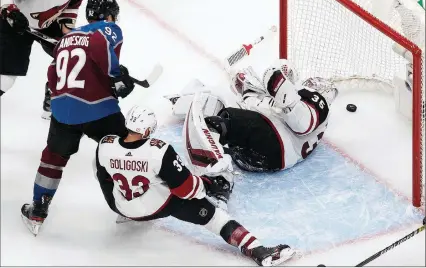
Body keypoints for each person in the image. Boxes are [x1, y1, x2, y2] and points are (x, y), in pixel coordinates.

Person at [94, 105, 296, 267]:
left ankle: (129, 209)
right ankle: (257, 250)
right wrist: (207, 185)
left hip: (121, 205)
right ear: (147, 130)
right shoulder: (158, 150)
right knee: (214, 216)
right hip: (156, 207)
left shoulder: (105, 144)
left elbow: (101, 176)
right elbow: (186, 189)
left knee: (120, 184)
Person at [21, 0, 136, 236]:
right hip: (99, 107)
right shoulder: (108, 28)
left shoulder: (65, 39)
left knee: (53, 157)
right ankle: (130, 204)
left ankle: (38, 209)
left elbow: (53, 76)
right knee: (125, 147)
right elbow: (100, 47)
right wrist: (117, 76)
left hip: (63, 110)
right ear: (109, 15)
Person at [173, 59, 337, 173]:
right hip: (259, 159)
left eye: (317, 83)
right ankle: (219, 167)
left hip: (275, 143)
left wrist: (276, 79)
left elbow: (302, 124)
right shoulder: (289, 106)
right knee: (222, 118)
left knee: (227, 118)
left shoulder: (318, 102)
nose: (312, 82)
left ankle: (210, 163)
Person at [0, 0, 88, 118]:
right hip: (14, 20)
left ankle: (53, 100)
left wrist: (69, 38)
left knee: (74, 54)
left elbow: (72, 5)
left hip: (47, 23)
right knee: (6, 80)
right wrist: (10, 11)